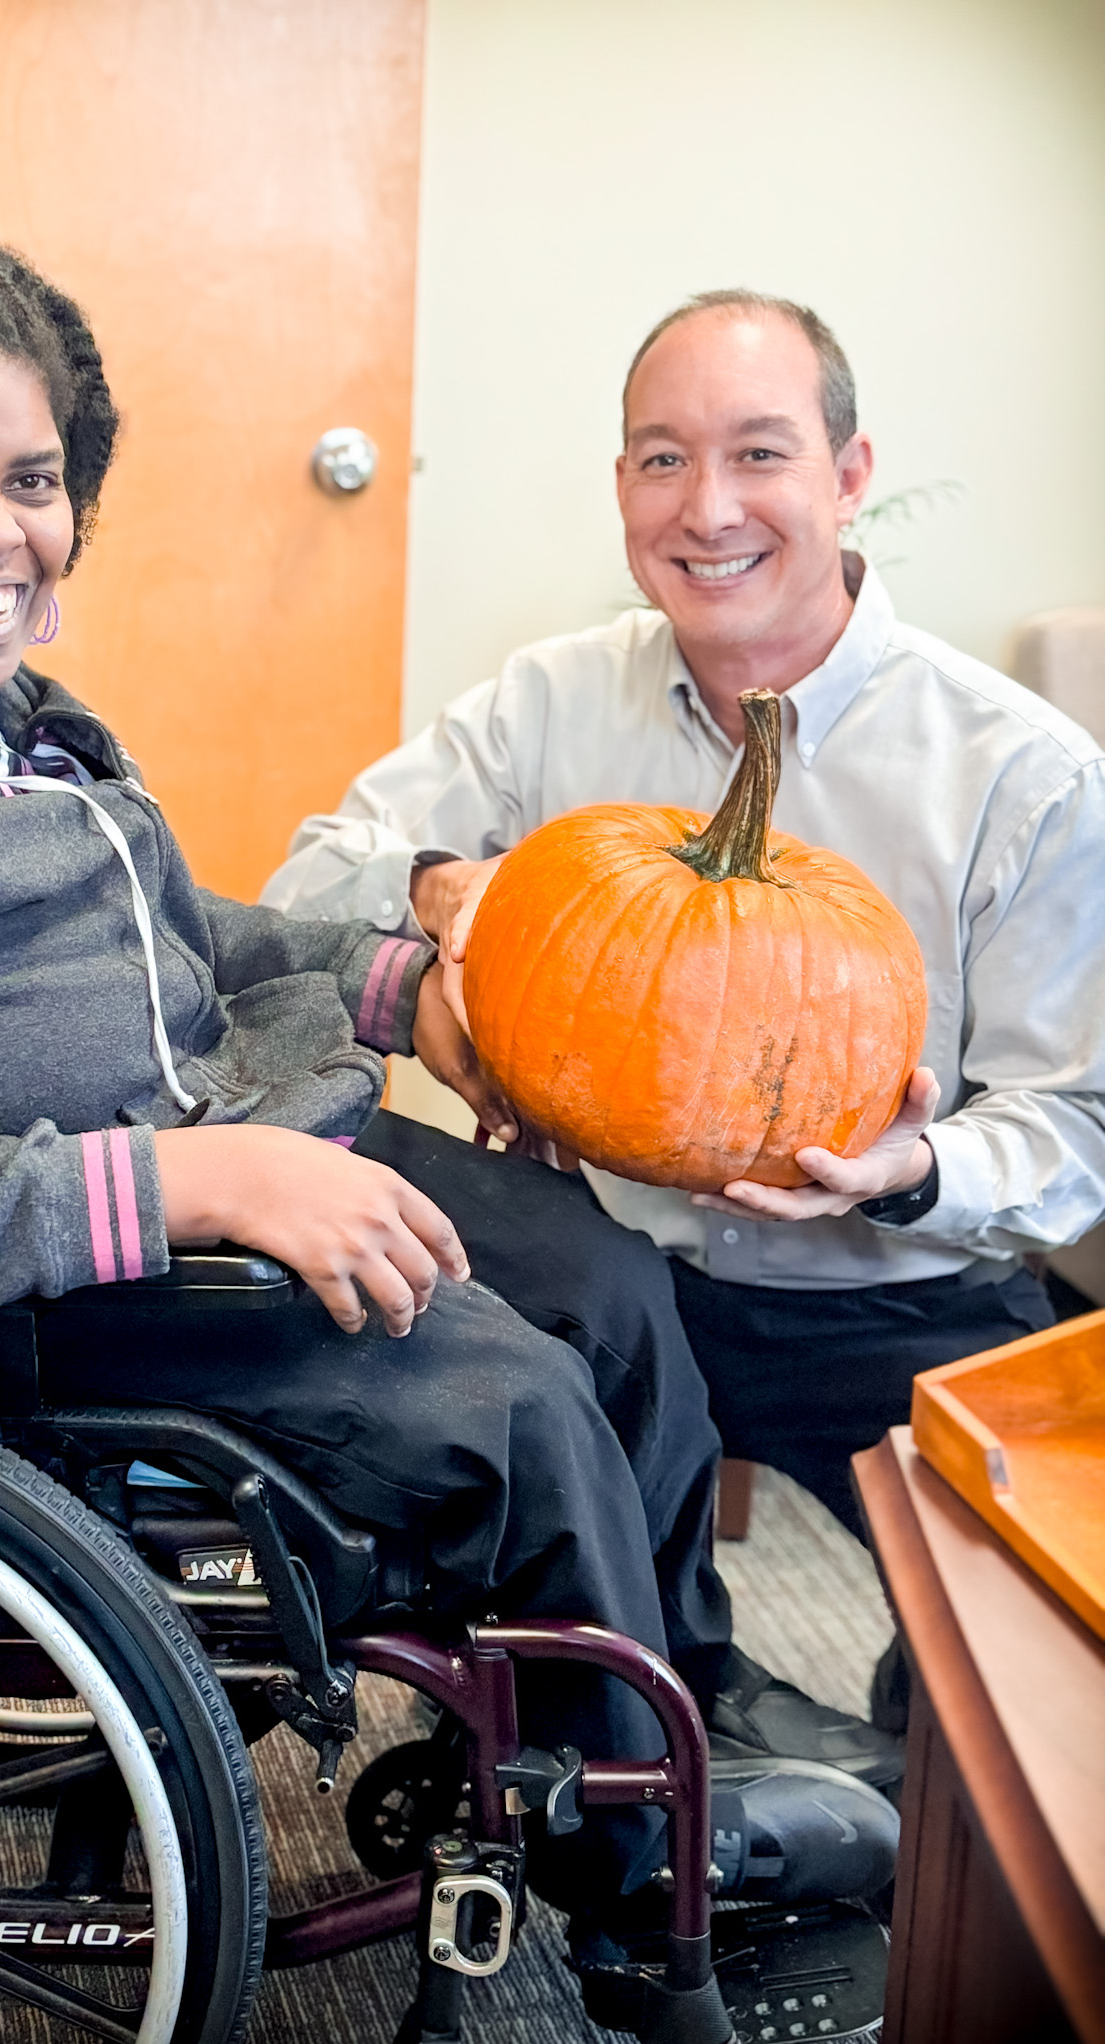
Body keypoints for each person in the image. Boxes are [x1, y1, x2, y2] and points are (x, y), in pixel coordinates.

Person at [0, 238, 897, 1966]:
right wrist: (198, 1179)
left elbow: (153, 929)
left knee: (610, 1281)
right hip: (30, 1295)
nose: (0, 528)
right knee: (515, 1400)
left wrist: (400, 988)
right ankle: (630, 1847)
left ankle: (682, 1695)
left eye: (34, 479)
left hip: (190, 1140)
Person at [265, 288, 1105, 1571]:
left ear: (851, 474)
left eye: (760, 452)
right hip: (609, 1280)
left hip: (899, 1294)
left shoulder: (1021, 772)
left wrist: (914, 1167)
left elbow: (1079, 1124)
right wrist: (444, 895)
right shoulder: (551, 702)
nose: (708, 509)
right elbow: (303, 885)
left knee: (986, 1706)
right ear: (622, 486)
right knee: (523, 1627)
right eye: (665, 459)